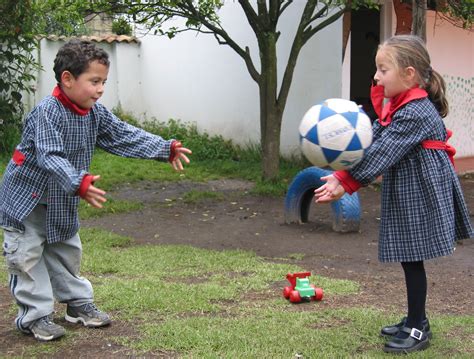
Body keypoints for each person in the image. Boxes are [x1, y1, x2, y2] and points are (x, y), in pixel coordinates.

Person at [0, 39, 192, 342]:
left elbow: (122, 135)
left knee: (66, 250)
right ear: (67, 79)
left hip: (61, 198)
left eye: (103, 81)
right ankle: (34, 317)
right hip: (27, 201)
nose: (101, 88)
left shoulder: (94, 114)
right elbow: (50, 156)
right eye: (94, 81)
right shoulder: (46, 113)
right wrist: (80, 182)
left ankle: (77, 305)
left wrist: (163, 148)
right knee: (28, 258)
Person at [314, 35, 473, 354]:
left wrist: (345, 183)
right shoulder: (404, 106)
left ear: (409, 74)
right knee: (408, 257)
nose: (375, 76)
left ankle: (418, 327)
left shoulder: (415, 111)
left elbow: (383, 152)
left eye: (382, 69)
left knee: (412, 258)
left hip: (422, 192)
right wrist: (341, 171)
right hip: (411, 187)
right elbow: (377, 140)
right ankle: (415, 318)